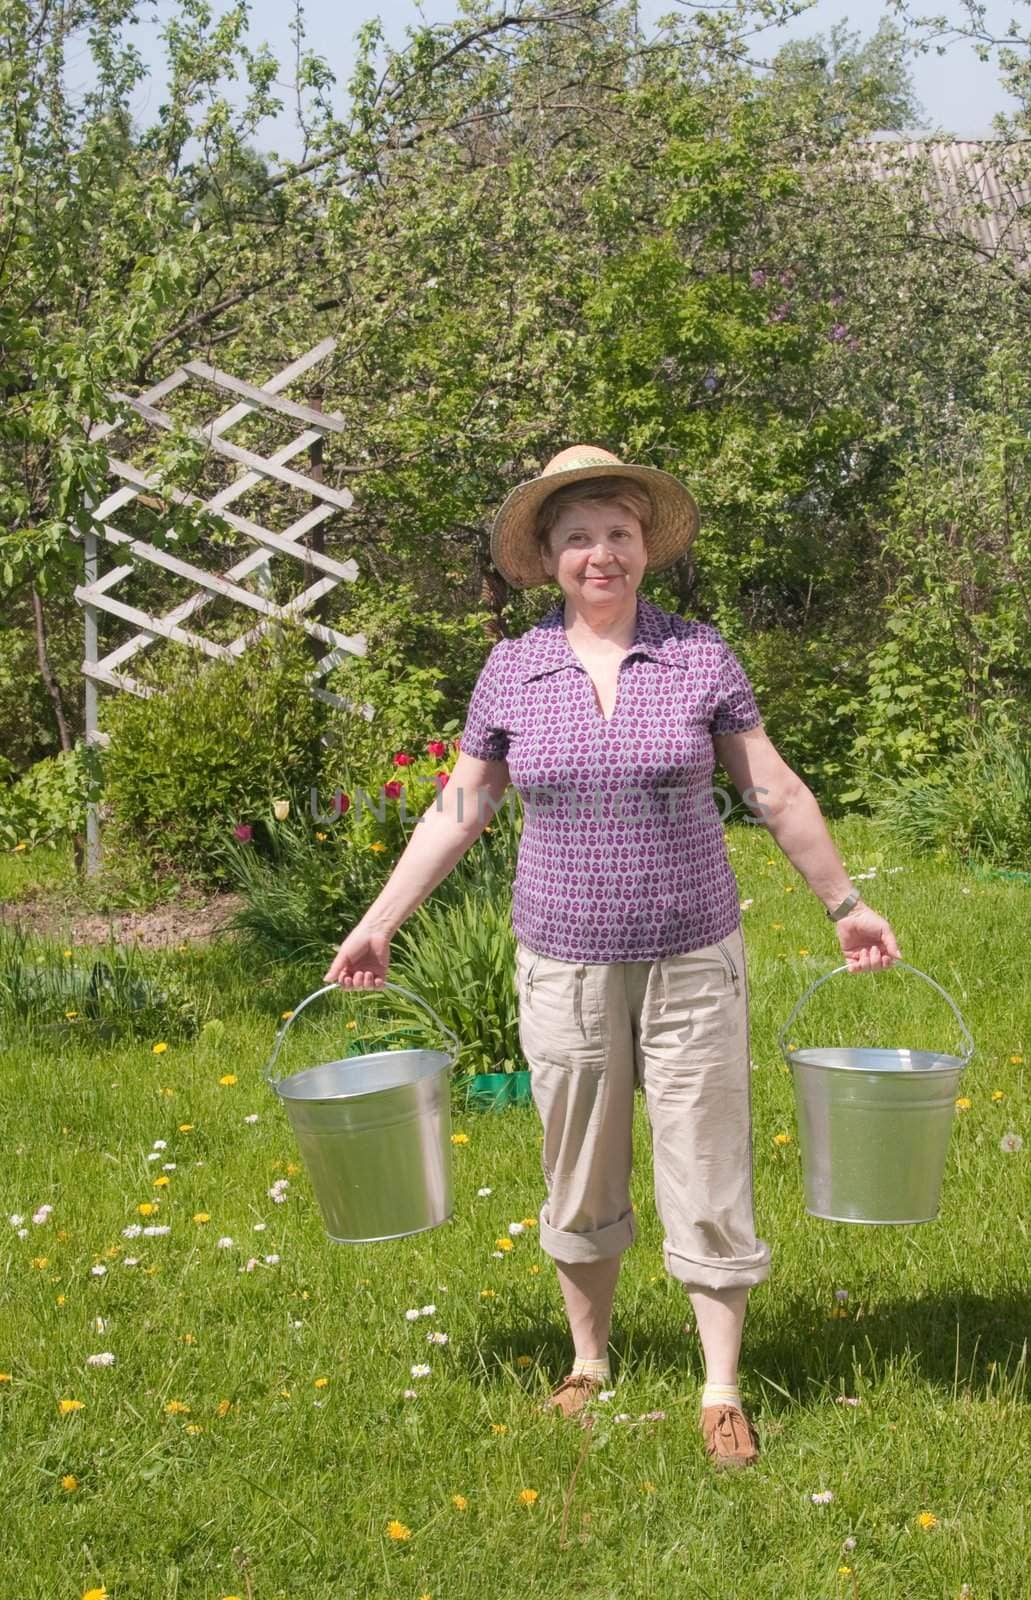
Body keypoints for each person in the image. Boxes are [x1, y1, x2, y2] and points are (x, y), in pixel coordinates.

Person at [324, 443, 902, 1471]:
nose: (602, 553)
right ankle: (590, 1362)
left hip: (692, 956)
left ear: (646, 549)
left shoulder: (697, 654)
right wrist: (380, 920)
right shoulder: (514, 668)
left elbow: (772, 787)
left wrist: (845, 903)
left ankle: (720, 1386)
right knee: (578, 1169)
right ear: (547, 557)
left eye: (619, 534)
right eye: (579, 536)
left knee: (707, 1161)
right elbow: (460, 809)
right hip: (565, 961)